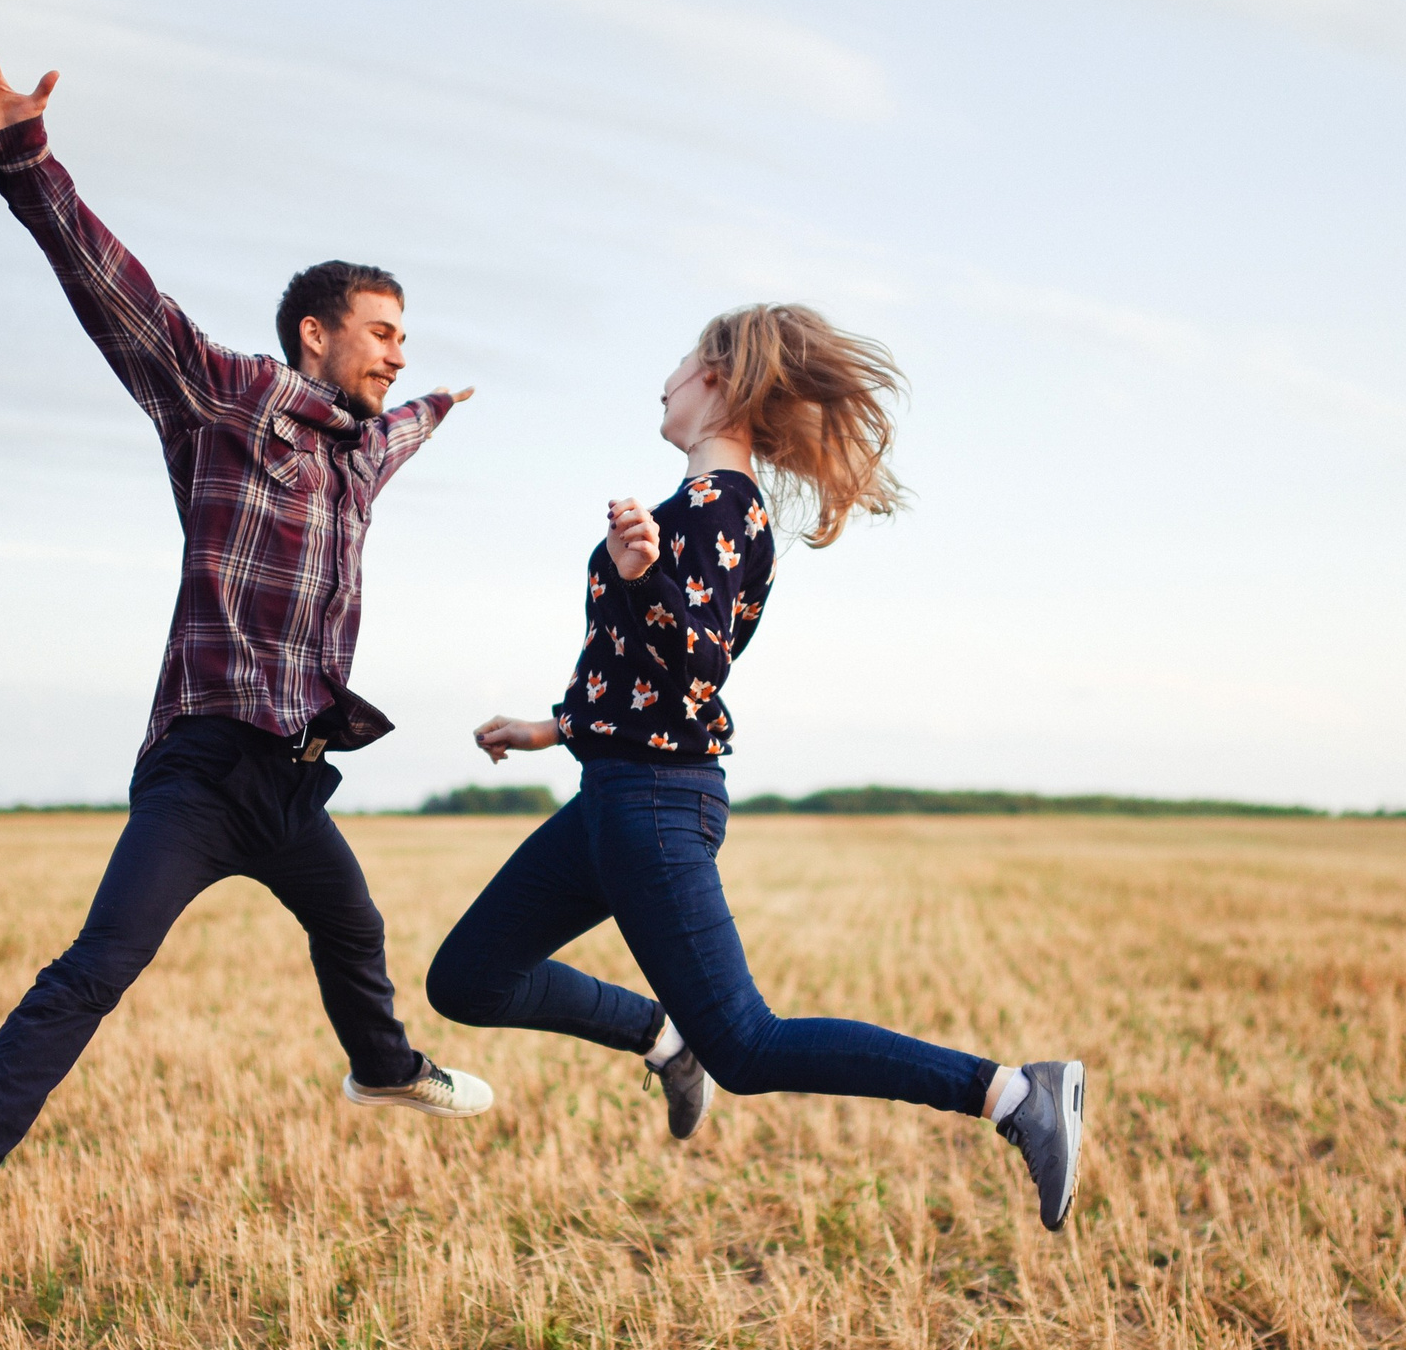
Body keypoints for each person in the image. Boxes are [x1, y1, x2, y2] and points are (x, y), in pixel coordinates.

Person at [0, 40, 494, 1274]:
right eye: (379, 334)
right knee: (93, 969)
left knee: (354, 924)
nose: (396, 354)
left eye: (405, 337)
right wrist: (22, 155)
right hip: (203, 765)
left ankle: (383, 1070)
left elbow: (407, 429)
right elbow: (117, 293)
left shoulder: (366, 448)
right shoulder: (223, 401)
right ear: (312, 335)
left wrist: (439, 406)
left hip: (291, 774)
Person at [428, 306, 1085, 1231]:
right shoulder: (688, 511)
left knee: (748, 1044)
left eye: (682, 361)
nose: (664, 380)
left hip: (653, 807)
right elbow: (639, 676)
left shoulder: (722, 510)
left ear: (722, 384)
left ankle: (1017, 1094)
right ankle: (661, 1037)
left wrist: (644, 575)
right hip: (615, 793)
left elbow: (699, 666)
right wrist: (550, 728)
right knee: (468, 976)